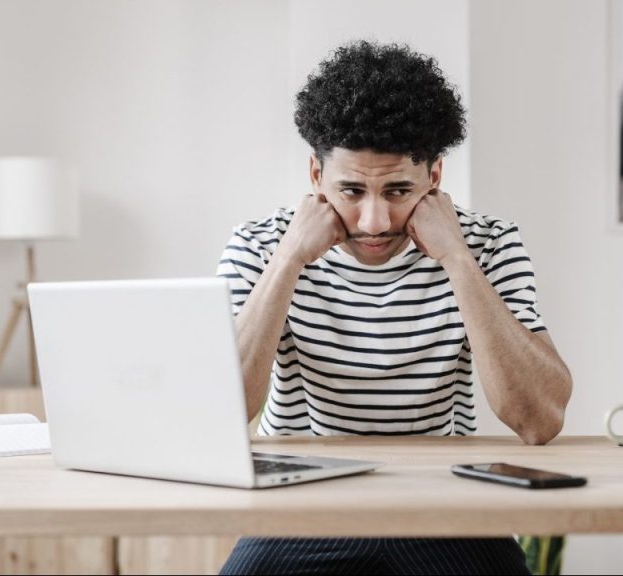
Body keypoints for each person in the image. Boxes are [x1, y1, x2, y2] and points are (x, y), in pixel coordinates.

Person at [216, 40, 572, 575]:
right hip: (299, 512)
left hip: (446, 508)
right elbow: (219, 414)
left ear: (435, 177)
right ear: (315, 175)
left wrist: (456, 257)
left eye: (399, 189)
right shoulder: (260, 246)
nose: (374, 221)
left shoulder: (490, 244)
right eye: (351, 190)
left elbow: (539, 420)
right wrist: (289, 259)